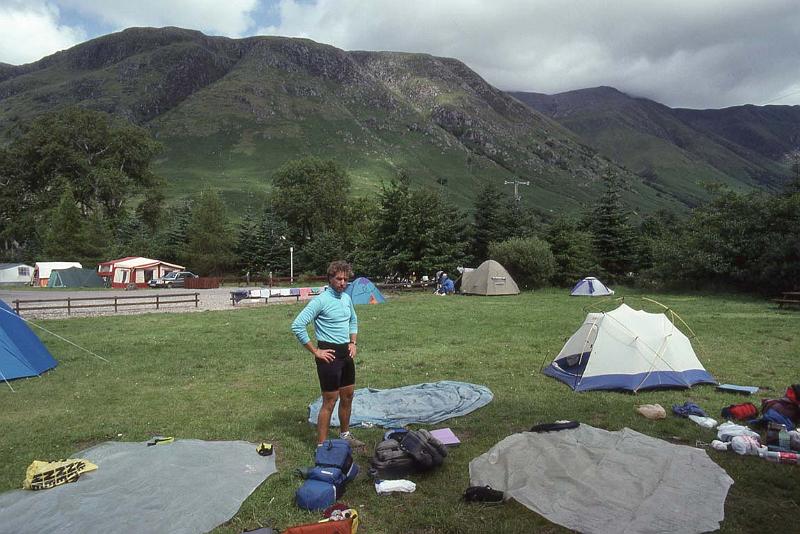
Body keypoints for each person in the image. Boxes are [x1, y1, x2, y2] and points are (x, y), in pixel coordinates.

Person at [291, 260, 363, 447]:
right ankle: (321, 446)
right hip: (328, 356)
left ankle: (345, 434)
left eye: (346, 279)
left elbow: (353, 321)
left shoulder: (346, 299)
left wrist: (353, 342)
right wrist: (316, 351)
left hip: (346, 355)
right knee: (330, 401)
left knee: (348, 396)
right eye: (339, 279)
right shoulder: (320, 301)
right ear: (330, 279)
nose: (343, 283)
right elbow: (298, 325)